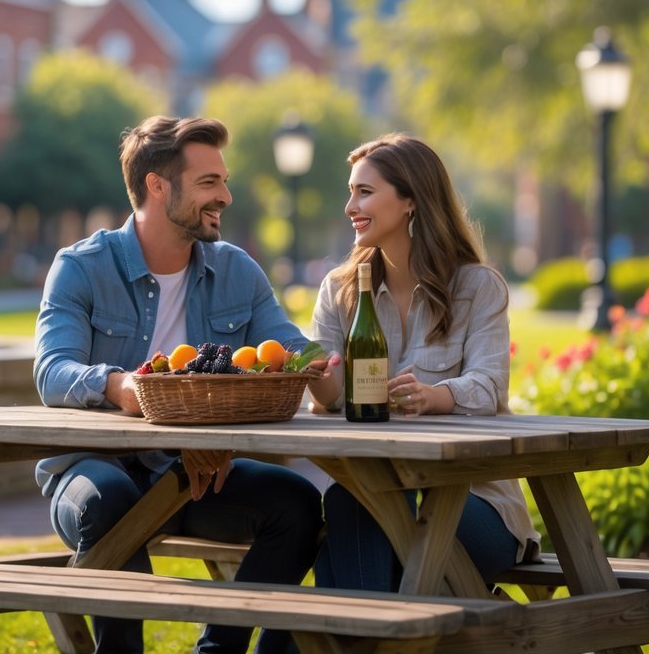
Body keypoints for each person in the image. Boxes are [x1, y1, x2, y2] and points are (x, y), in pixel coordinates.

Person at [34, 116, 327, 654]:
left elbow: (293, 353)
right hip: (91, 470)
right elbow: (52, 372)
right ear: (157, 185)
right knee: (114, 501)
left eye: (224, 180)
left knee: (298, 504)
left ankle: (221, 649)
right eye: (209, 183)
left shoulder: (238, 271)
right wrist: (126, 389)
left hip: (192, 473)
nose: (226, 196)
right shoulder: (80, 267)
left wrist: (329, 361)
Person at [306, 132, 541, 592]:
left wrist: (435, 396)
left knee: (351, 542)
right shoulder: (339, 290)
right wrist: (315, 376)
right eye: (351, 192)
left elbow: (490, 386)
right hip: (378, 492)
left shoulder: (477, 288)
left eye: (365, 192)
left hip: (473, 503)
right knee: (349, 505)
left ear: (411, 199)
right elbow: (330, 395)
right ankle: (385, 634)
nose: (350, 206)